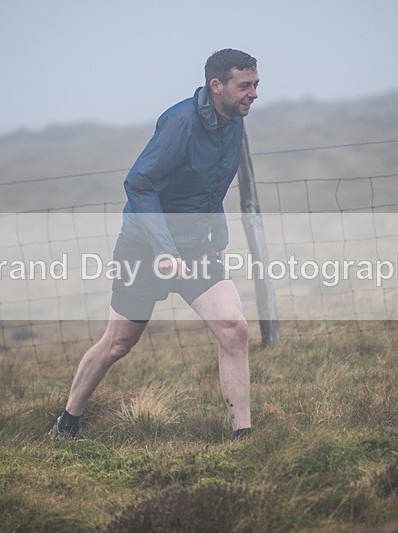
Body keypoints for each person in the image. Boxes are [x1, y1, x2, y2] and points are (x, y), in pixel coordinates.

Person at [50, 48, 259, 441]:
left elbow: (213, 184)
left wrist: (219, 236)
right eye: (244, 86)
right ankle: (67, 422)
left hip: (196, 247)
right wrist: (165, 249)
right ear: (216, 86)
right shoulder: (180, 122)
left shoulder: (234, 122)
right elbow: (139, 183)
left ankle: (243, 437)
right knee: (117, 343)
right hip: (145, 247)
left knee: (235, 329)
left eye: (256, 85)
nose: (253, 94)